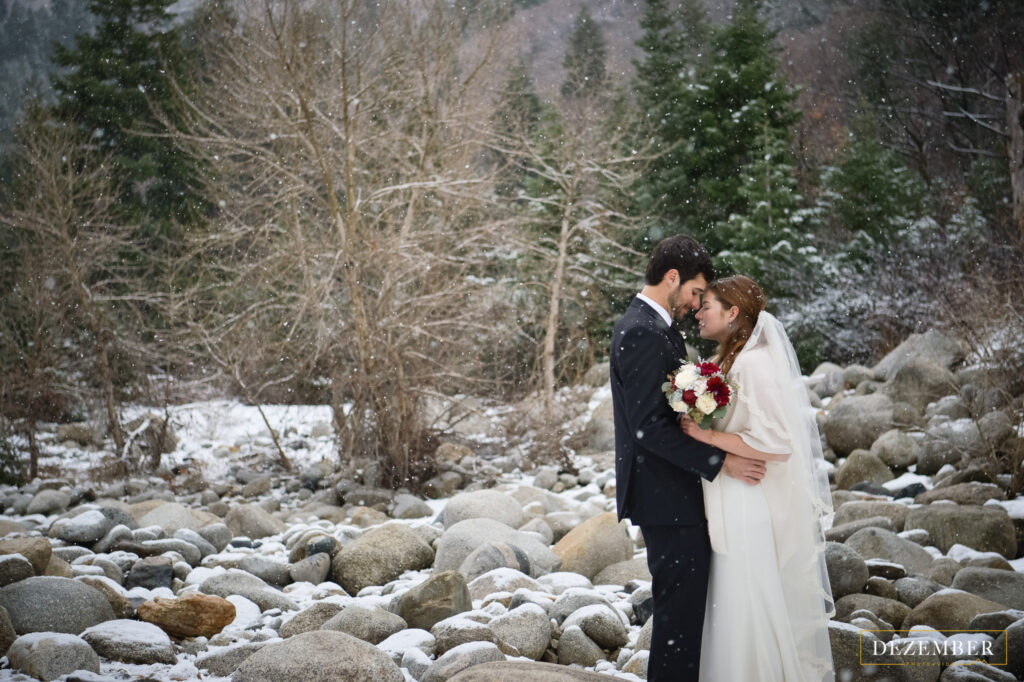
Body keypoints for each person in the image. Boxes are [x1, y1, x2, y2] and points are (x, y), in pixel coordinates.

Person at [610, 235, 768, 682]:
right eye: (697, 292)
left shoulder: (651, 326)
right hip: (666, 500)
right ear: (672, 277)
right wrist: (721, 463)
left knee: (682, 617)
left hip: (669, 496)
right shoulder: (642, 330)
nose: (697, 303)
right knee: (679, 620)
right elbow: (649, 430)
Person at [681, 274, 835, 682]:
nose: (698, 312)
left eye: (707, 306)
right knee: (734, 602)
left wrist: (708, 435)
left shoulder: (753, 362)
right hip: (730, 492)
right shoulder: (730, 360)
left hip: (747, 496)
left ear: (732, 313)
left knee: (746, 598)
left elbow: (780, 443)